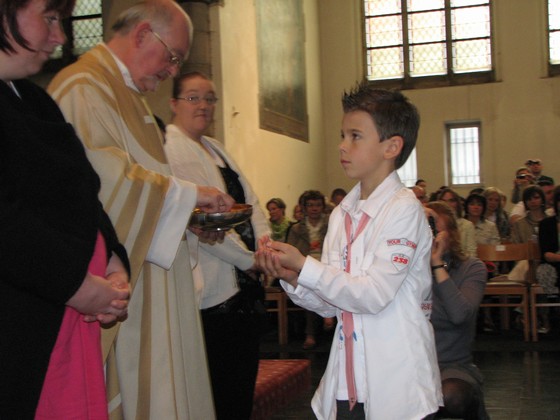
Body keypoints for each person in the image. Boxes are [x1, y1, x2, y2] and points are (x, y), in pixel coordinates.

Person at [48, 2, 234, 418]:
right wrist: (188, 197)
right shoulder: (84, 87)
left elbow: (147, 189)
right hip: (119, 293)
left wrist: (187, 219)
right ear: (143, 34)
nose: (172, 70)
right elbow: (104, 184)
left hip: (154, 285)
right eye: (173, 57)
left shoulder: (128, 95)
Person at [256, 84, 441, 419]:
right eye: (343, 135)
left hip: (396, 382)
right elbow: (331, 303)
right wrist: (293, 276)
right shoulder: (342, 213)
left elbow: (373, 294)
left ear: (391, 147)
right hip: (348, 379)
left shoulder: (403, 209)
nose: (342, 145)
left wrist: (305, 265)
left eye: (355, 136)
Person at [0, 1, 131, 418]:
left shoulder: (34, 99)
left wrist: (113, 259)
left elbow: (82, 190)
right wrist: (77, 286)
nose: (59, 37)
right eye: (50, 18)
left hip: (60, 319)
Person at [164, 71, 270, 419]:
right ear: (174, 103)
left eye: (210, 99)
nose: (203, 105)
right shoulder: (172, 147)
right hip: (214, 288)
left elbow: (251, 201)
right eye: (193, 98)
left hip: (245, 285)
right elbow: (202, 223)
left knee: (241, 385)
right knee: (222, 389)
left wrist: (265, 248)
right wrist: (249, 261)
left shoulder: (214, 147)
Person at [425, 202, 489, 419]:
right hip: (415, 363)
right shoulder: (409, 271)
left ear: (451, 235)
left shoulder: (472, 268)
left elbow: (460, 315)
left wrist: (437, 265)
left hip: (453, 365)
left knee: (452, 395)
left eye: (434, 230)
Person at [286, 190, 332, 349]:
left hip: (328, 264)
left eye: (318, 205)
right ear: (304, 208)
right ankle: (313, 331)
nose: (314, 208)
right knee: (309, 286)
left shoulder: (331, 224)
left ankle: (327, 315)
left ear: (323, 207)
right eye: (310, 205)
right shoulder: (296, 229)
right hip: (305, 265)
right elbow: (291, 250)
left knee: (325, 280)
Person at [537, 186, 560, 333]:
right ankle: (549, 318)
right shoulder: (546, 224)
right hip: (551, 263)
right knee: (545, 272)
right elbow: (546, 254)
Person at [437, 188, 477, 257]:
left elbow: (472, 253)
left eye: (451, 201)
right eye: (443, 201)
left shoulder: (467, 225)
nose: (447, 204)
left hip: (461, 260)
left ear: (457, 203)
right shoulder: (435, 224)